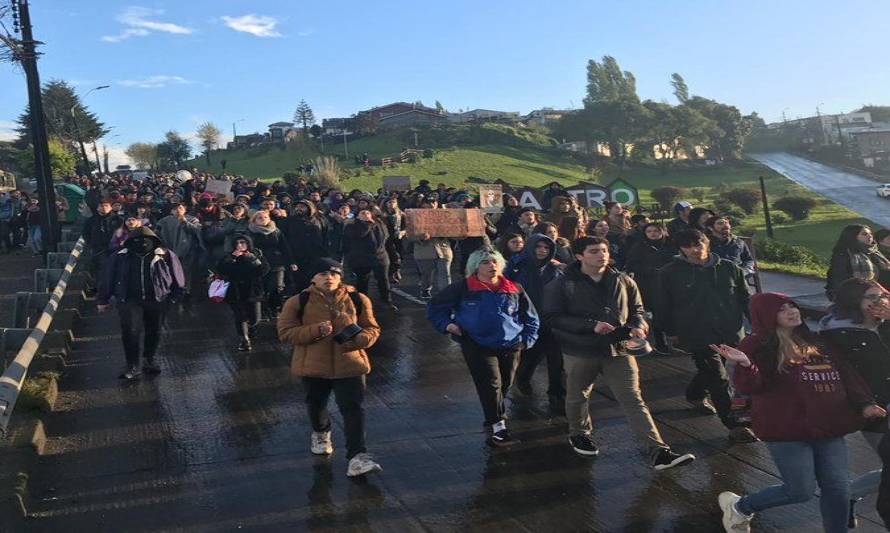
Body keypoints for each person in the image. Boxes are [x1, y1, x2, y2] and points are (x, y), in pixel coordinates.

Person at [714, 293, 883, 533]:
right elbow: (751, 387)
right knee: (800, 491)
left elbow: (846, 375)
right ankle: (741, 506)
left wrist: (865, 403)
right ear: (767, 315)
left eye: (792, 306)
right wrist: (745, 364)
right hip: (787, 428)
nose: (792, 312)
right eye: (782, 309)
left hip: (829, 426)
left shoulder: (816, 341)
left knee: (838, 489)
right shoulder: (757, 344)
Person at [543, 236, 696, 470]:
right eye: (594, 251)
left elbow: (638, 310)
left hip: (619, 349)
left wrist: (639, 325)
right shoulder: (562, 284)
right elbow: (553, 317)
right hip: (580, 350)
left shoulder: (623, 280)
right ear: (579, 256)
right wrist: (590, 326)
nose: (601, 255)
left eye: (603, 250)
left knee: (633, 399)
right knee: (578, 395)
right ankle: (579, 433)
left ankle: (658, 451)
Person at [277, 258, 383, 477]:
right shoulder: (298, 301)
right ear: (313, 278)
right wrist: (315, 331)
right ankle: (321, 432)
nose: (329, 278)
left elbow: (372, 329)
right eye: (323, 274)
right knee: (316, 404)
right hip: (313, 365)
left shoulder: (358, 298)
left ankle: (357, 457)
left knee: (353, 409)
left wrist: (358, 338)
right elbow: (286, 332)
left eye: (334, 274)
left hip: (350, 364)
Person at [427, 247, 540, 447]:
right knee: (490, 384)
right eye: (485, 262)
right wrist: (448, 325)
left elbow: (530, 317)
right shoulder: (463, 288)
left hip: (511, 344)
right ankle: (498, 425)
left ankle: (494, 414)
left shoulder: (515, 288)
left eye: (495, 262)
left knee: (505, 383)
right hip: (476, 344)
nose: (492, 266)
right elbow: (436, 309)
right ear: (475, 267)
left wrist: (526, 340)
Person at [656, 229, 757, 443]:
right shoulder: (670, 272)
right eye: (688, 246)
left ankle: (694, 394)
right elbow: (664, 305)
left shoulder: (729, 268)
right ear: (681, 248)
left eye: (699, 244)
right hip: (697, 333)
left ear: (707, 242)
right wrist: (670, 331)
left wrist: (758, 324)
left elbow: (745, 298)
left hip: (730, 331)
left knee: (712, 371)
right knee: (718, 378)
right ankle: (735, 425)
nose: (695, 249)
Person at [818, 277, 890, 524]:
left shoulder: (881, 325)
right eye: (872, 297)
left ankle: (848, 494)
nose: (880, 301)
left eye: (882, 295)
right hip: (876, 409)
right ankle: (847, 494)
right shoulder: (842, 334)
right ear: (854, 302)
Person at [97, 227, 185, 380]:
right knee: (130, 332)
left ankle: (149, 360)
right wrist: (103, 299)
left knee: (154, 331)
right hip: (128, 299)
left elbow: (177, 275)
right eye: (138, 241)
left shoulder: (165, 255)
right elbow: (108, 277)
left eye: (147, 241)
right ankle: (132, 365)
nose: (143, 244)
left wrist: (175, 296)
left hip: (157, 298)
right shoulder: (120, 256)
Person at [506, 234, 565, 413]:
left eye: (546, 248)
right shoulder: (517, 266)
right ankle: (522, 380)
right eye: (538, 247)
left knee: (556, 358)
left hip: (552, 319)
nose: (542, 251)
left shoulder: (555, 269)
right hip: (528, 319)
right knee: (531, 355)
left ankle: (556, 392)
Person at [624, 223, 674, 355]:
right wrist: (651, 270)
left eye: (656, 231)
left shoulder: (670, 245)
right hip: (648, 284)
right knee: (656, 313)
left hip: (669, 283)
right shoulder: (639, 247)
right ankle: (660, 343)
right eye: (649, 231)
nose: (653, 234)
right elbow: (632, 264)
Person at [215, 234, 271, 351]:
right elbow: (220, 269)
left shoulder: (256, 254)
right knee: (240, 316)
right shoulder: (229, 256)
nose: (240, 246)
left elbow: (264, 270)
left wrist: (254, 260)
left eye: (243, 243)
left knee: (255, 318)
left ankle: (250, 328)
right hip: (235, 291)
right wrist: (232, 259)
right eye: (237, 243)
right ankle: (244, 339)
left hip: (252, 291)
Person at [342, 208, 397, 311]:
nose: (366, 214)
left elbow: (385, 237)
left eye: (368, 212)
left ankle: (386, 301)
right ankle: (362, 302)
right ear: (357, 216)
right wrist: (366, 224)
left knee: (383, 280)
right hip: (361, 258)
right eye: (362, 213)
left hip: (380, 257)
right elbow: (359, 235)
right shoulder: (352, 226)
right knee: (362, 281)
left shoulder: (379, 224)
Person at [246, 210, 297, 320]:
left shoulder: (276, 231)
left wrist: (291, 262)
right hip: (258, 263)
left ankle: (274, 308)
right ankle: (263, 310)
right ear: (254, 220)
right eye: (260, 217)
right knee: (262, 287)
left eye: (265, 217)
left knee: (277, 287)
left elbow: (284, 246)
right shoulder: (250, 232)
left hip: (276, 263)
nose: (263, 219)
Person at [826, 224, 890, 300]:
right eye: (864, 234)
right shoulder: (844, 255)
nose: (870, 236)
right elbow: (841, 279)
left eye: (870, 234)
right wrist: (878, 289)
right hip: (854, 294)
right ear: (853, 236)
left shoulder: (874, 252)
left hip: (877, 291)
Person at [155, 203, 203, 302]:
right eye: (175, 209)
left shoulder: (192, 219)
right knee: (171, 271)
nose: (178, 210)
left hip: (187, 251)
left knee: (186, 272)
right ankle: (172, 291)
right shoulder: (164, 221)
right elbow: (157, 233)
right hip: (170, 250)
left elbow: (197, 230)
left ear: (184, 209)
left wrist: (185, 222)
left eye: (180, 208)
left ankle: (186, 291)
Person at [409, 202, 454, 299]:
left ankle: (446, 294)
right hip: (424, 251)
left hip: (443, 250)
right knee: (427, 274)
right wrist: (420, 238)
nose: (429, 208)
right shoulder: (415, 219)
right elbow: (409, 236)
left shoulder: (444, 218)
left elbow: (454, 231)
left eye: (432, 205)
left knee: (445, 274)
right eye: (426, 207)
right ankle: (426, 289)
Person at [81, 199, 121, 294]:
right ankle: (101, 290)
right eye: (101, 206)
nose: (103, 208)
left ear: (110, 207)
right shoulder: (91, 220)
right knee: (100, 271)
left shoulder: (118, 220)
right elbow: (85, 233)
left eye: (106, 206)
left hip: (114, 250)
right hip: (98, 249)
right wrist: (91, 243)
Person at [705, 215, 756, 279]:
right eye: (720, 223)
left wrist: (746, 269)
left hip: (738, 276)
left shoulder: (738, 241)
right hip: (715, 278)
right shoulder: (705, 243)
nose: (725, 226)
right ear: (710, 228)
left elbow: (748, 259)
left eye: (726, 223)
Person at [380, 197, 406, 285]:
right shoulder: (383, 215)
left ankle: (397, 270)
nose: (392, 204)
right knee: (394, 256)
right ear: (386, 204)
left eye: (393, 202)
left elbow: (405, 226)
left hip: (398, 238)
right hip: (387, 239)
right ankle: (391, 274)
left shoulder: (401, 214)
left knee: (400, 255)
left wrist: (402, 232)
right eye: (389, 202)